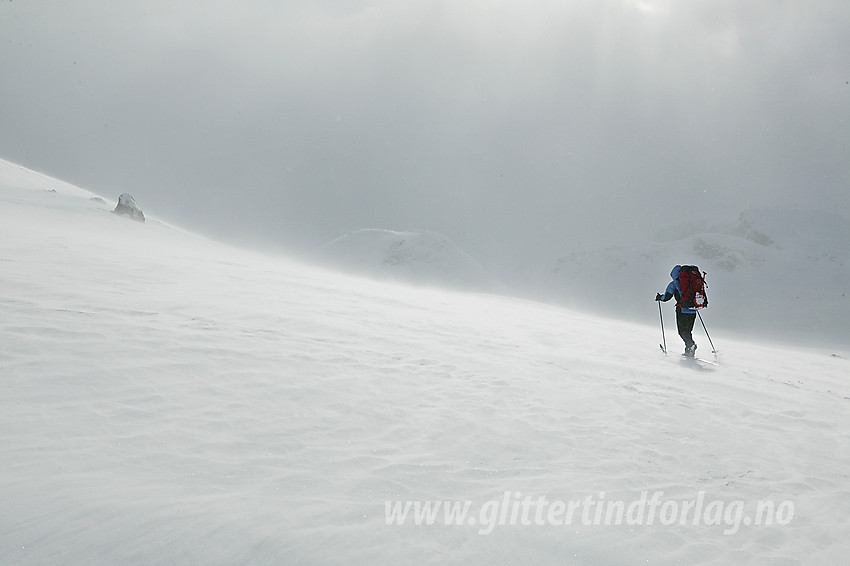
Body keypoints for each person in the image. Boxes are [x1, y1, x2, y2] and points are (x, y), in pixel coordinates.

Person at [656, 265, 697, 356]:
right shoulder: (691, 282)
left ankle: (691, 345)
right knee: (688, 331)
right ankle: (689, 349)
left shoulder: (674, 283)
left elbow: (666, 297)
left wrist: (660, 298)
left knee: (682, 331)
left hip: (682, 310)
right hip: (693, 310)